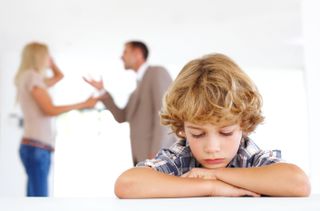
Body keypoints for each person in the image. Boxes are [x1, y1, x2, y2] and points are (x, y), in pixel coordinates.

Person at [114, 53, 310, 198]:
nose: (212, 148)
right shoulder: (182, 156)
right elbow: (128, 184)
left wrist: (214, 174)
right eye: (198, 134)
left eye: (226, 132)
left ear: (244, 124)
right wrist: (211, 187)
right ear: (182, 128)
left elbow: (298, 183)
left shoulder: (247, 155)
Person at [15, 42, 97, 196]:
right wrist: (84, 104)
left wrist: (52, 64)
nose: (49, 59)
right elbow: (50, 110)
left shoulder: (29, 77)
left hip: (33, 146)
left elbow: (60, 76)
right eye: (47, 55)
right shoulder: (33, 77)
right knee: (40, 200)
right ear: (39, 56)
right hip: (37, 147)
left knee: (33, 200)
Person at [84, 41, 176, 165]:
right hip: (141, 158)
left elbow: (166, 115)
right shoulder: (135, 92)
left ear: (138, 54)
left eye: (125, 52)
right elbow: (121, 116)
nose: (121, 57)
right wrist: (101, 91)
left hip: (156, 158)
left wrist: (157, 154)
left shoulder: (157, 72)